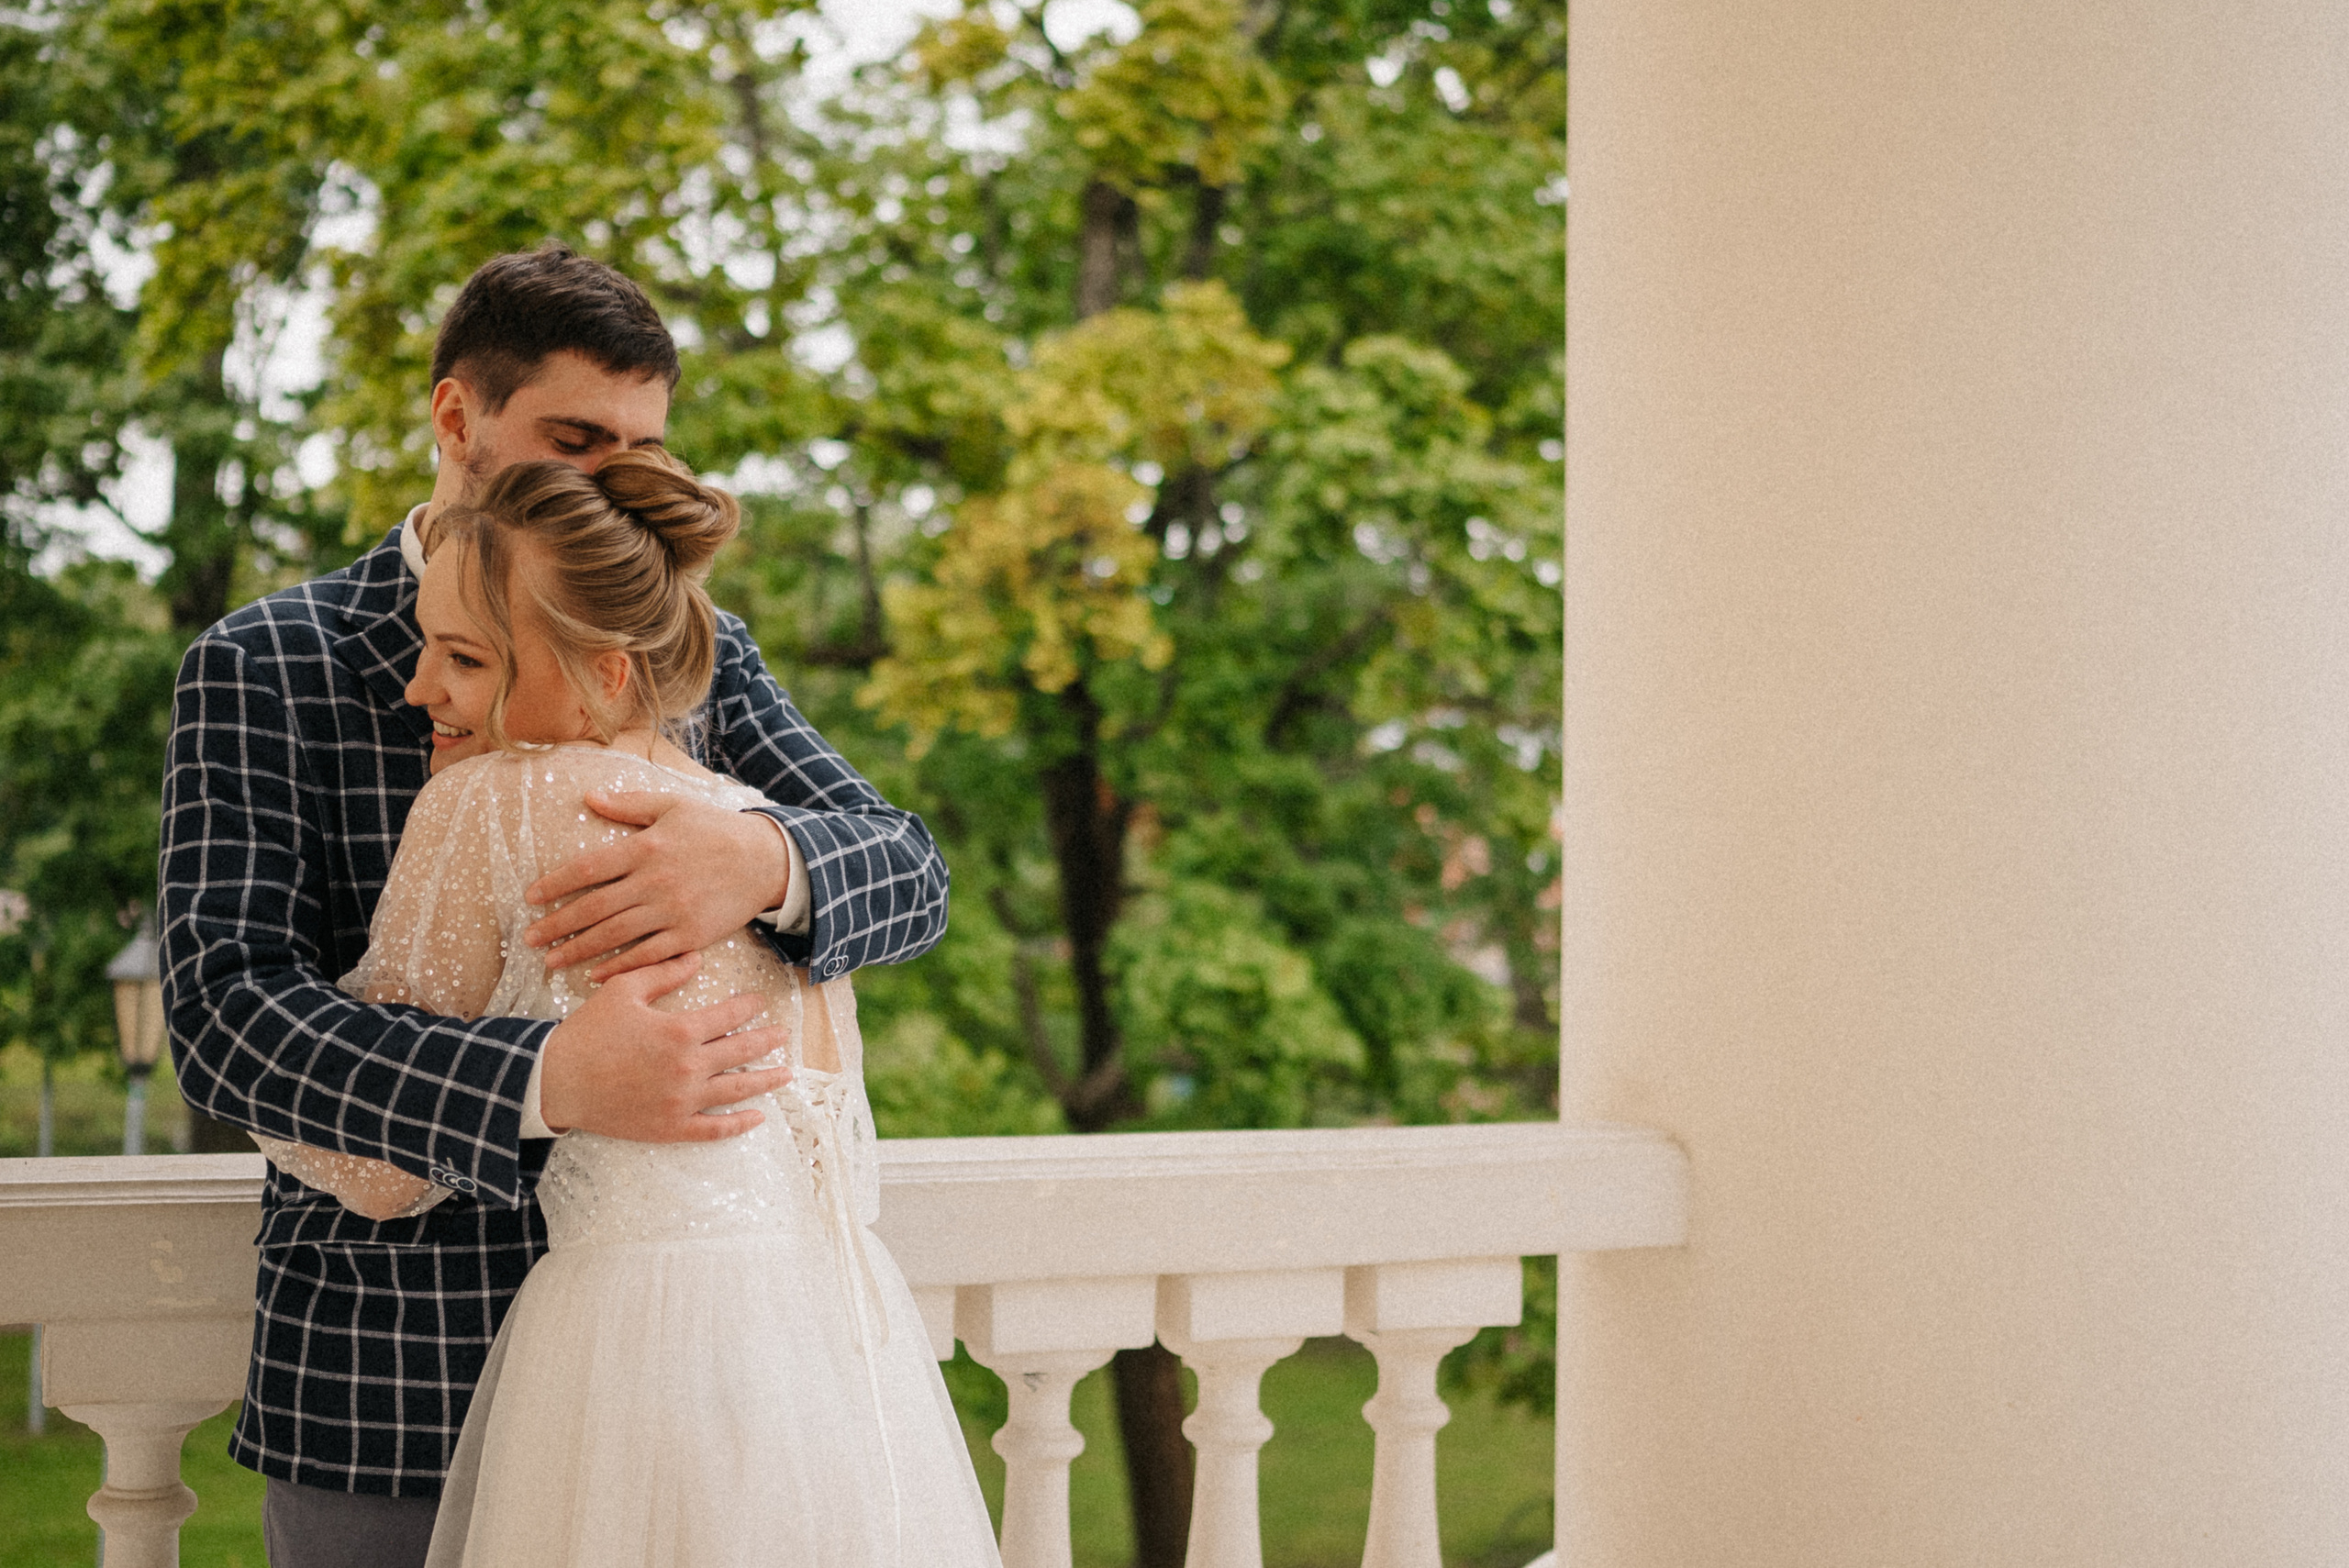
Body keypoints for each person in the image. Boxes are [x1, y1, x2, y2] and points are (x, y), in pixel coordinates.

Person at [160, 244, 950, 1568]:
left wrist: (758, 862)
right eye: (577, 438)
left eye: (642, 452)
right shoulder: (268, 663)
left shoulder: (683, 639)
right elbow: (224, 1017)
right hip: (393, 1388)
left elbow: (908, 870)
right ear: (457, 415)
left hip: (711, 1405)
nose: (610, 486)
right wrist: (550, 1079)